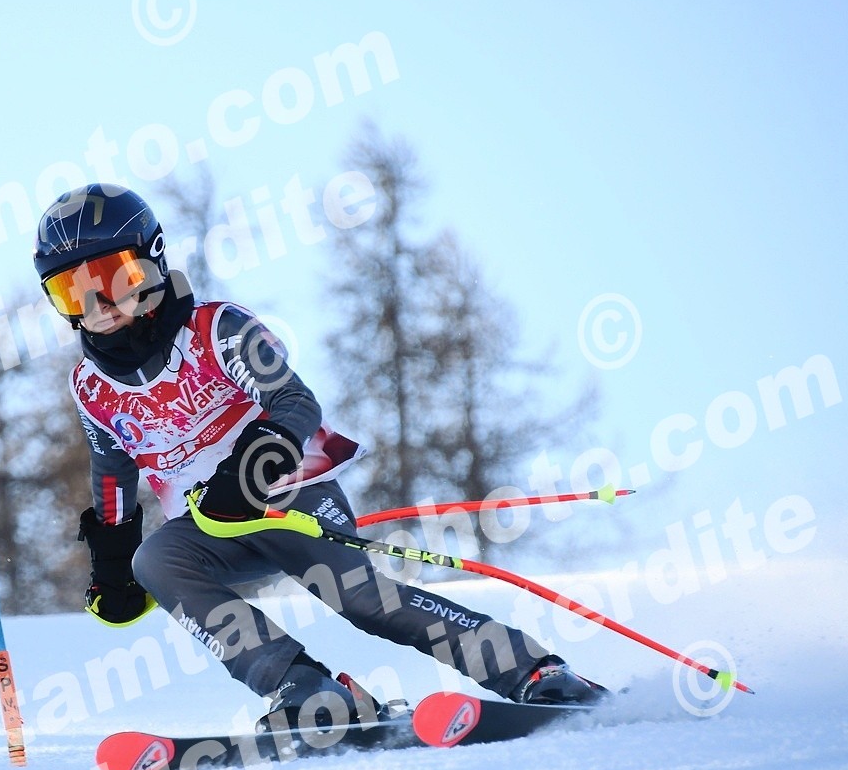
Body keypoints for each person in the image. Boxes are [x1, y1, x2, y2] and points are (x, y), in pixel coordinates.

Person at [34, 183, 604, 733]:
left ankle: (534, 671)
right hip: (211, 526)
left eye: (112, 277)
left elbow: (294, 402)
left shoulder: (216, 328)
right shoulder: (90, 385)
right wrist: (112, 560)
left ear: (152, 262)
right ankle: (305, 689)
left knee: (364, 600)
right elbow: (112, 470)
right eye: (71, 292)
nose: (98, 306)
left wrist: (249, 473)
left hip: (290, 497)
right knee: (155, 560)